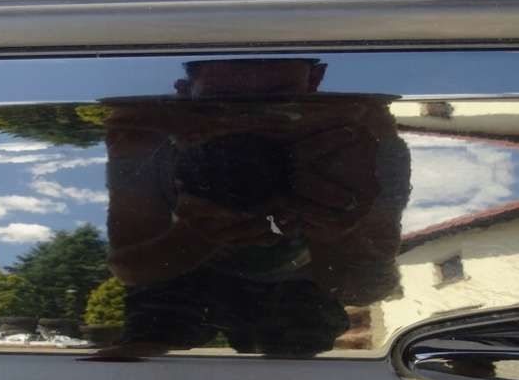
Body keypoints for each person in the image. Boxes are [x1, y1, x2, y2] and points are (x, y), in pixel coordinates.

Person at [100, 59, 410, 357]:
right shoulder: (148, 130)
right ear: (184, 93)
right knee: (156, 326)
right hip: (205, 274)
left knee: (302, 335)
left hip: (295, 283)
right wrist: (198, 235)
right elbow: (132, 268)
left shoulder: (358, 132)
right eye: (221, 100)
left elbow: (368, 287)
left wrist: (332, 224)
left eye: (281, 97)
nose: (250, 115)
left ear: (315, 82)